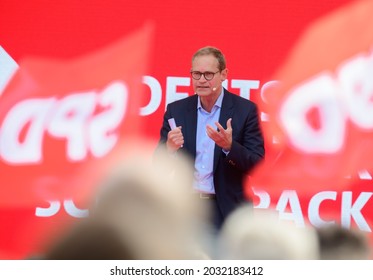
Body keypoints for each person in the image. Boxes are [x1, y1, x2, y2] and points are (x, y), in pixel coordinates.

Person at [158, 46, 265, 230]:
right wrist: (169, 149)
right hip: (186, 209)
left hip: (228, 210)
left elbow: (257, 165)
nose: (201, 80)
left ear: (223, 74)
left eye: (208, 74)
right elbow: (157, 165)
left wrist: (229, 147)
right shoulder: (176, 111)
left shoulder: (245, 111)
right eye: (196, 74)